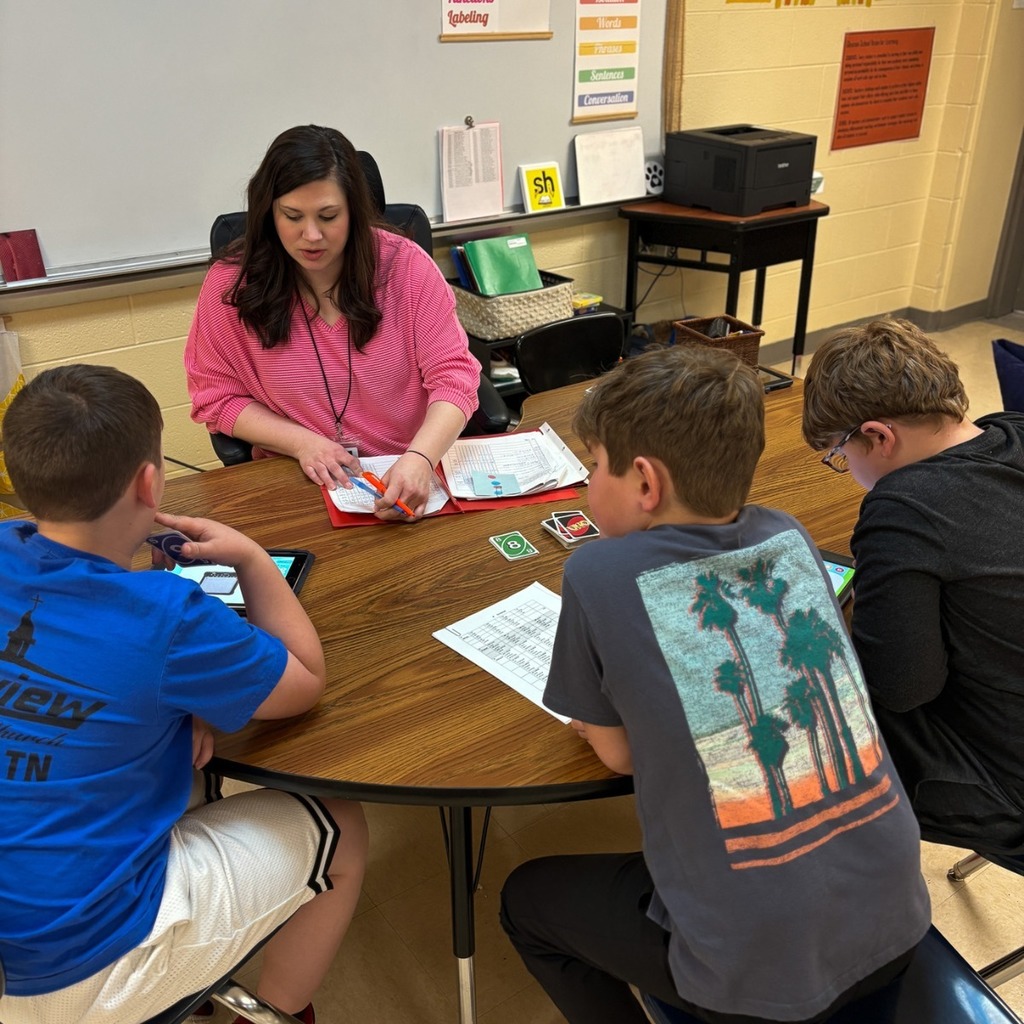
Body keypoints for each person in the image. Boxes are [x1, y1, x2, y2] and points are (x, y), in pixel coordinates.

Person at [500, 346, 930, 1024]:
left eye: (590, 468)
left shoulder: (596, 573)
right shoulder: (787, 535)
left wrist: (594, 718)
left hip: (757, 980)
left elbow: (619, 755)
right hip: (901, 922)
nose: (586, 488)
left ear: (645, 482)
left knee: (526, 901)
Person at [0, 364, 367, 1024]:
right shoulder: (168, 615)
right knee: (341, 823)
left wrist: (173, 706)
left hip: (13, 935)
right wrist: (251, 559)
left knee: (182, 769)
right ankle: (278, 1012)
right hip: (77, 968)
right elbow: (304, 682)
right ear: (149, 481)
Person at [802, 317, 1024, 857]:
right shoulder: (1013, 428)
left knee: (809, 694)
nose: (844, 467)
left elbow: (902, 688)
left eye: (839, 455)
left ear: (878, 435)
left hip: (1004, 787)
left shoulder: (905, 506)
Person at [185, 124, 481, 520]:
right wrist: (303, 443)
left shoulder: (405, 268)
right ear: (268, 213)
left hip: (408, 468)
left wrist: (421, 458)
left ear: (354, 212)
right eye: (292, 216)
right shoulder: (233, 284)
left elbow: (454, 378)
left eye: (328, 216)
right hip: (296, 477)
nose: (311, 235)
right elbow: (216, 396)